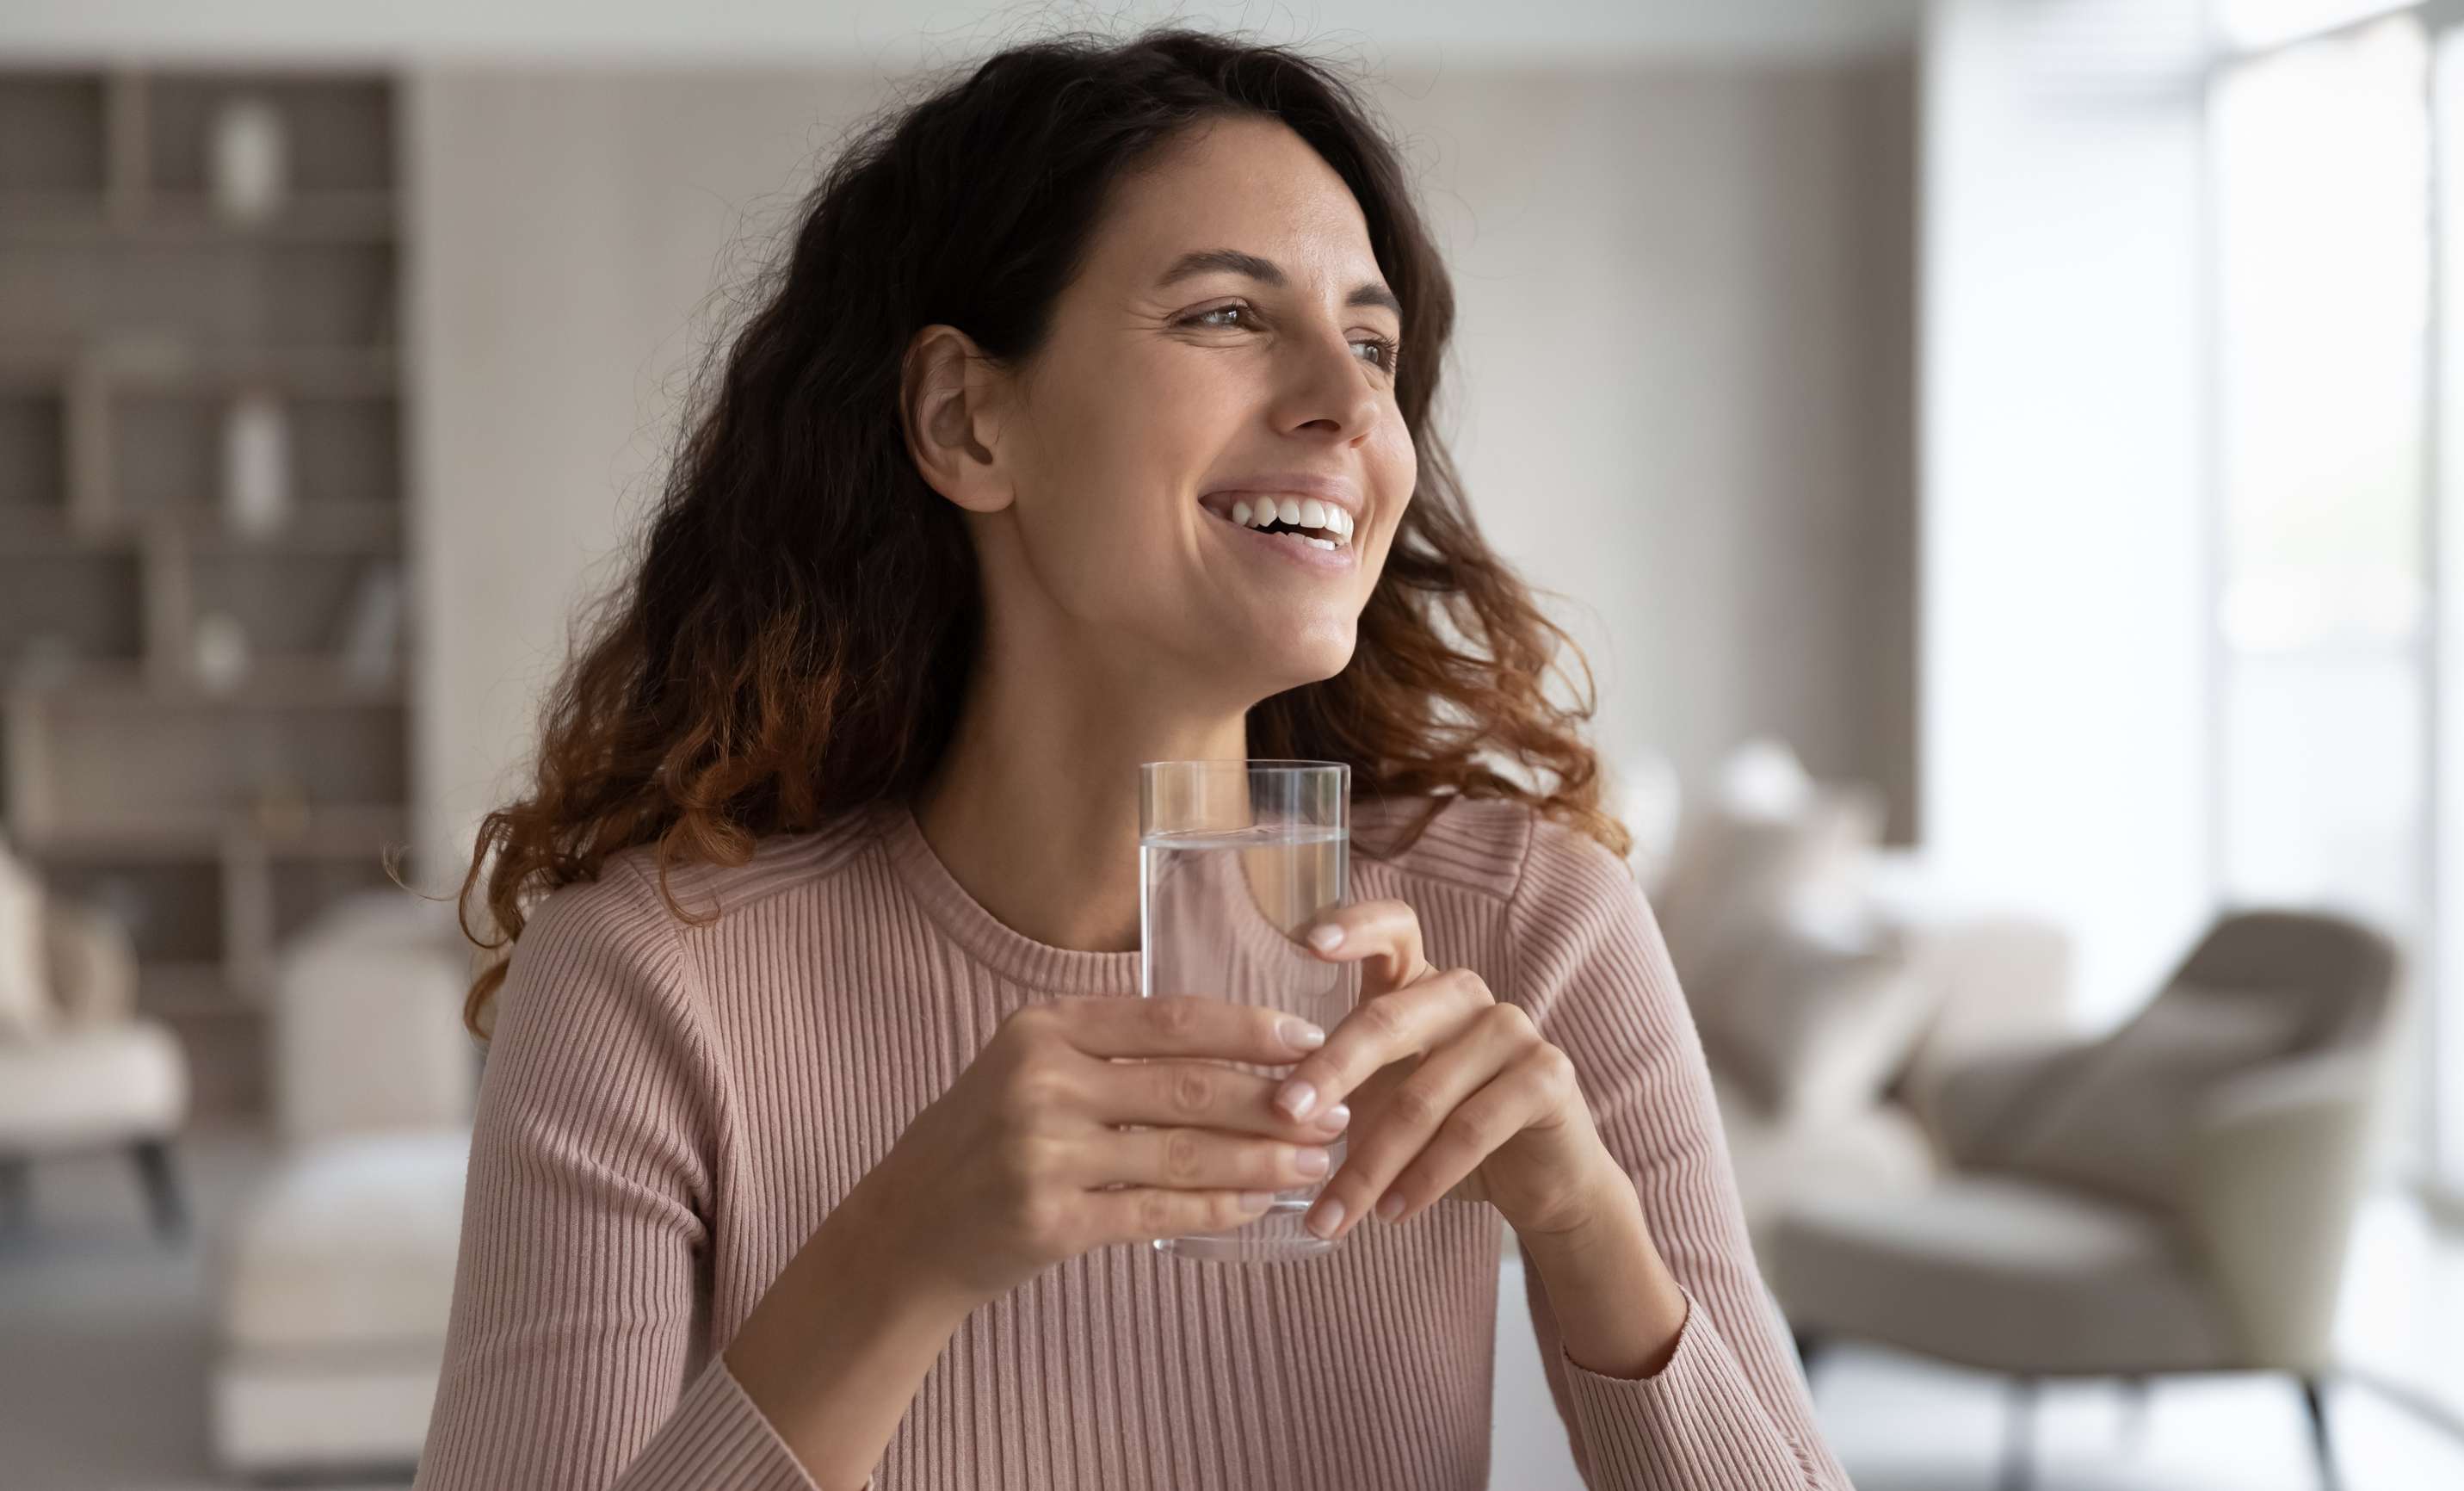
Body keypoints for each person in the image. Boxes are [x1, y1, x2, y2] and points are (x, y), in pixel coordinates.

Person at [410, 24, 1852, 1491]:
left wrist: (1585, 1229)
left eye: (1371, 344)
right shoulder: (651, 983)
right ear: (967, 420)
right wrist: (899, 1259)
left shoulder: (1530, 930)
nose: (1351, 408)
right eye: (1228, 315)